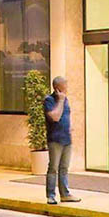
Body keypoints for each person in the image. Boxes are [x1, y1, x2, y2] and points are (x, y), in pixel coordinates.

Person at [43, 77, 81, 206]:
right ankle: (51, 195)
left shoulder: (65, 100)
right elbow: (55, 117)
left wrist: (70, 127)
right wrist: (60, 100)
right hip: (55, 139)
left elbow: (66, 116)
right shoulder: (49, 100)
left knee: (64, 168)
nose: (67, 87)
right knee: (53, 168)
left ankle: (65, 194)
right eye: (65, 85)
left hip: (66, 138)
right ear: (58, 87)